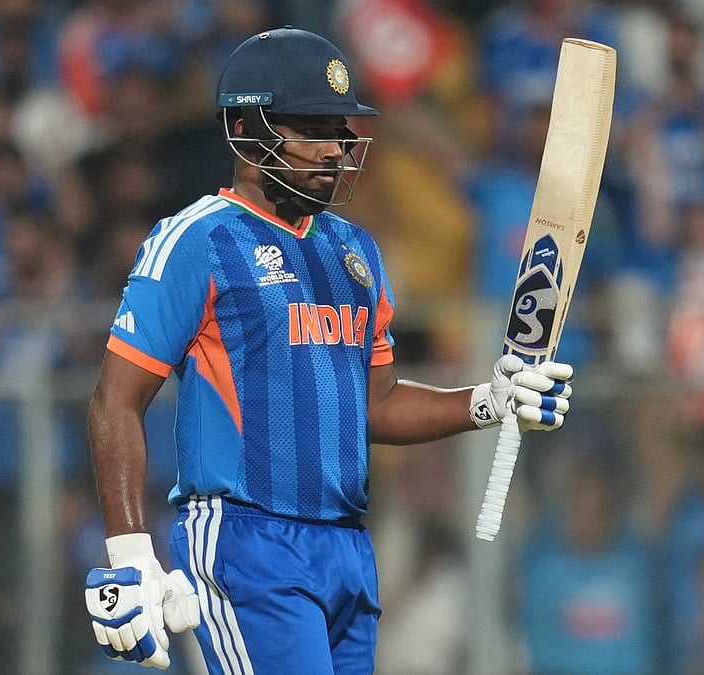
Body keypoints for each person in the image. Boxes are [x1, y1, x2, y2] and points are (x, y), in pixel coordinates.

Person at [81, 26, 575, 674]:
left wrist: (488, 400)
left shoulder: (356, 252)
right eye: (314, 127)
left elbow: (379, 404)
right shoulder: (195, 239)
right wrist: (131, 553)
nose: (338, 147)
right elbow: (115, 400)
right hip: (247, 541)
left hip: (345, 546)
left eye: (341, 127)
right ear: (247, 128)